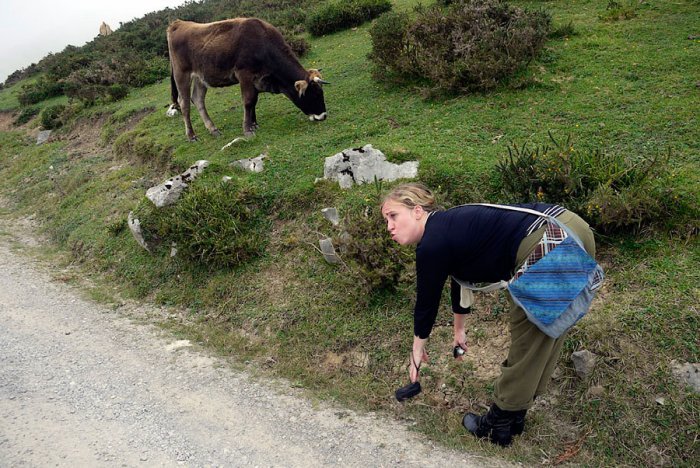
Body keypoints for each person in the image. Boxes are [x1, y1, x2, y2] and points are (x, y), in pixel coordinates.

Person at [380, 182, 596, 447]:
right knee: (547, 332)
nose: (389, 226)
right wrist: (459, 331)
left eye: (393, 216)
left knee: (528, 338)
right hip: (572, 227)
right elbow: (459, 281)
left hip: (549, 240)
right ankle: (516, 416)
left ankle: (499, 421)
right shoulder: (448, 226)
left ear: (417, 211)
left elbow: (427, 302)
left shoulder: (432, 243)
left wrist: (416, 350)